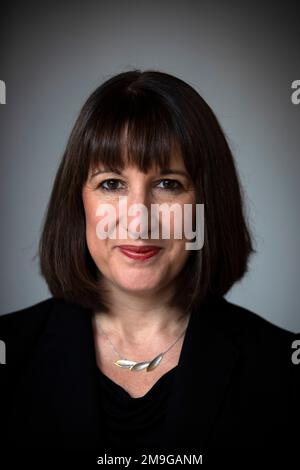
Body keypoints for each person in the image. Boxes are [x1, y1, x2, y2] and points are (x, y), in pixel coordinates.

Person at [0, 70, 298, 461]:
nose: (139, 219)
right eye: (111, 184)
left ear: (206, 204)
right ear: (78, 202)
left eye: (168, 184)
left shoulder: (283, 370)